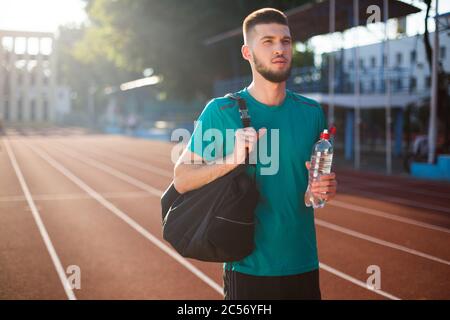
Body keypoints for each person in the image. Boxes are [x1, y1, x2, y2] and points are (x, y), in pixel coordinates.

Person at [173, 8, 337, 300]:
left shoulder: (312, 113)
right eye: (268, 41)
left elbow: (311, 193)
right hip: (248, 269)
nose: (279, 49)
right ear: (247, 52)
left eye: (285, 41)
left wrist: (320, 190)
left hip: (303, 264)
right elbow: (182, 179)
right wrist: (232, 160)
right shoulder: (221, 111)